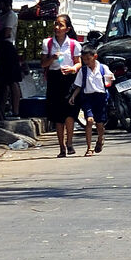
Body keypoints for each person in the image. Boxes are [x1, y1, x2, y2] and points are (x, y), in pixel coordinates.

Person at [42, 13, 81, 158]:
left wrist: (72, 69)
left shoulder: (73, 44)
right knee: (57, 115)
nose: (57, 27)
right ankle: (62, 147)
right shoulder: (48, 43)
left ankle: (69, 142)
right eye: (56, 24)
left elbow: (78, 63)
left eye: (61, 25)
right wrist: (52, 58)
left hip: (69, 80)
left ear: (67, 29)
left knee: (69, 113)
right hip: (54, 79)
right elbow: (43, 63)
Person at [74, 42, 115, 156]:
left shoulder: (103, 68)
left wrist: (110, 79)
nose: (86, 62)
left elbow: (109, 80)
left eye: (88, 59)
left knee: (100, 124)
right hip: (87, 98)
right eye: (84, 60)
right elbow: (79, 86)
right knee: (89, 121)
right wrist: (73, 96)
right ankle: (89, 147)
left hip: (100, 98)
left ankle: (100, 138)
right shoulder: (83, 71)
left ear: (95, 56)